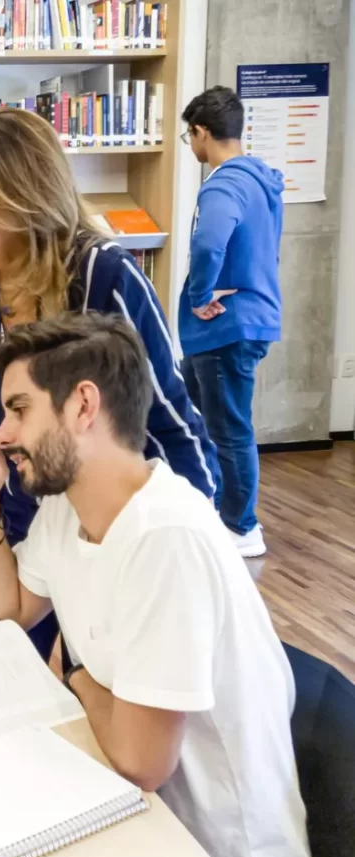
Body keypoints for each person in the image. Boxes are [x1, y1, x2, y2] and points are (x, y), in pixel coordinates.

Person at [0, 312, 313, 857]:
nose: (0, 435)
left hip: (212, 856)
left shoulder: (165, 536)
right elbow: (11, 609)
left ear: (83, 406)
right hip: (138, 814)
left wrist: (76, 674)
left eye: (18, 410)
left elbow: (142, 762)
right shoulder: (66, 505)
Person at [0, 107, 220, 659]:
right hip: (16, 518)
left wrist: (204, 543)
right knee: (0, 666)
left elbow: (171, 417)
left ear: (20, 192)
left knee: (100, 688)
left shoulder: (104, 273)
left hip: (114, 525)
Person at [179, 85, 284, 558]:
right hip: (249, 319)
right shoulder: (261, 179)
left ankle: (240, 526)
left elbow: (207, 244)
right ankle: (214, 507)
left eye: (190, 136)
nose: (192, 146)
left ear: (202, 132)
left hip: (226, 325)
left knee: (229, 429)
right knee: (200, 415)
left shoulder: (224, 182)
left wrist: (199, 296)